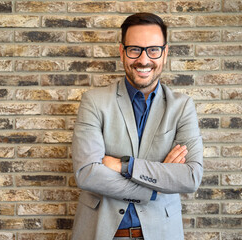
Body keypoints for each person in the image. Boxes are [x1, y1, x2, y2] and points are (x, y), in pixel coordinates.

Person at [71, 12, 203, 240]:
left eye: (153, 50)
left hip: (162, 232)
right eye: (135, 49)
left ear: (165, 53)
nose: (143, 60)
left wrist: (126, 166)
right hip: (100, 232)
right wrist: (156, 188)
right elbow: (87, 173)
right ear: (122, 52)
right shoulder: (94, 101)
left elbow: (190, 177)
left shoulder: (182, 107)